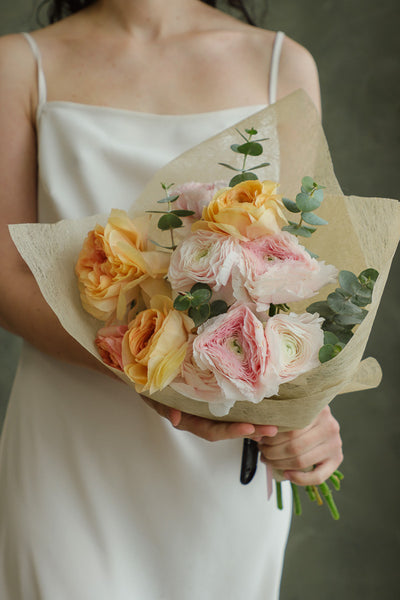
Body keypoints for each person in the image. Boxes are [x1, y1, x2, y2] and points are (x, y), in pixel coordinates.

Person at [0, 1, 343, 598]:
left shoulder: (282, 64)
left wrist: (310, 413)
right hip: (73, 452)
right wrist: (166, 367)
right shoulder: (19, 66)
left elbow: (301, 273)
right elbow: (6, 279)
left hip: (226, 466)